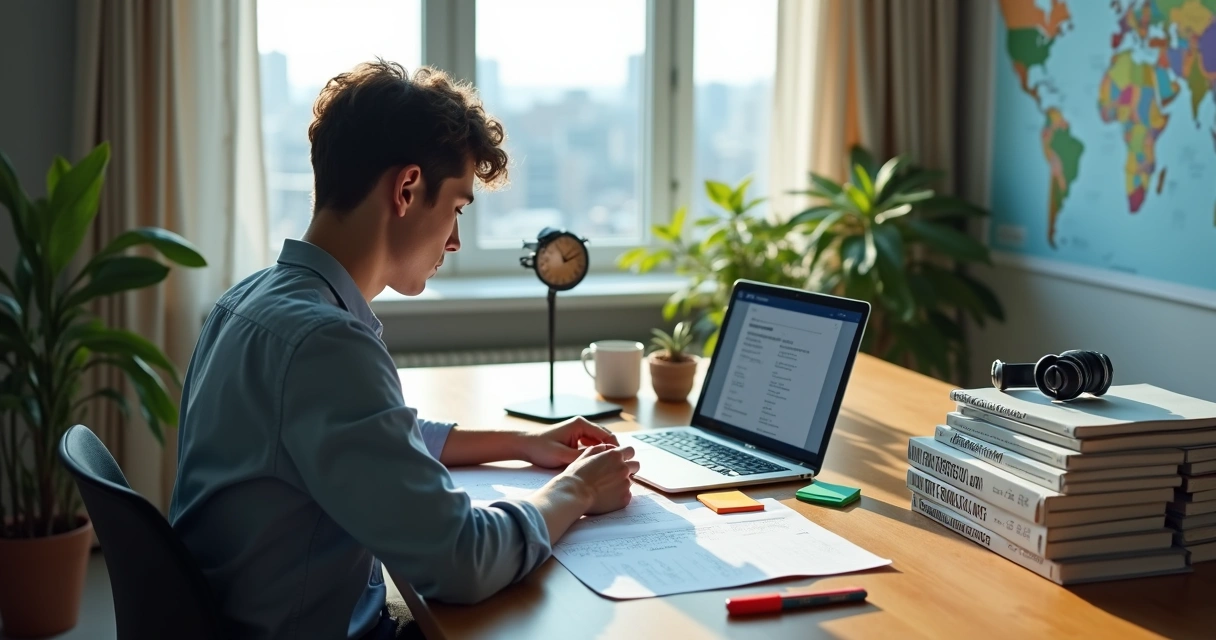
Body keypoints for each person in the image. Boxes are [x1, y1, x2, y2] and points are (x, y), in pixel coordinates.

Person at [168, 60, 639, 640]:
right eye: (458, 209)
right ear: (407, 188)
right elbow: (461, 563)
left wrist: (521, 442)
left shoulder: (249, 301)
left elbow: (377, 437)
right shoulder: (325, 344)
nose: (457, 240)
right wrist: (577, 489)